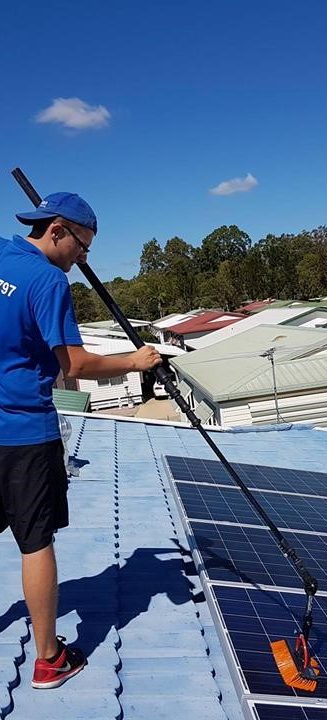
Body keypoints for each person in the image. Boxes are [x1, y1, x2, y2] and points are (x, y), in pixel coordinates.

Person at [0, 192, 162, 689]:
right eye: (83, 247)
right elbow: (74, 364)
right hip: (25, 432)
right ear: (57, 231)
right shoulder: (47, 281)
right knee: (36, 542)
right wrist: (135, 362)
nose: (82, 260)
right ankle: (49, 658)